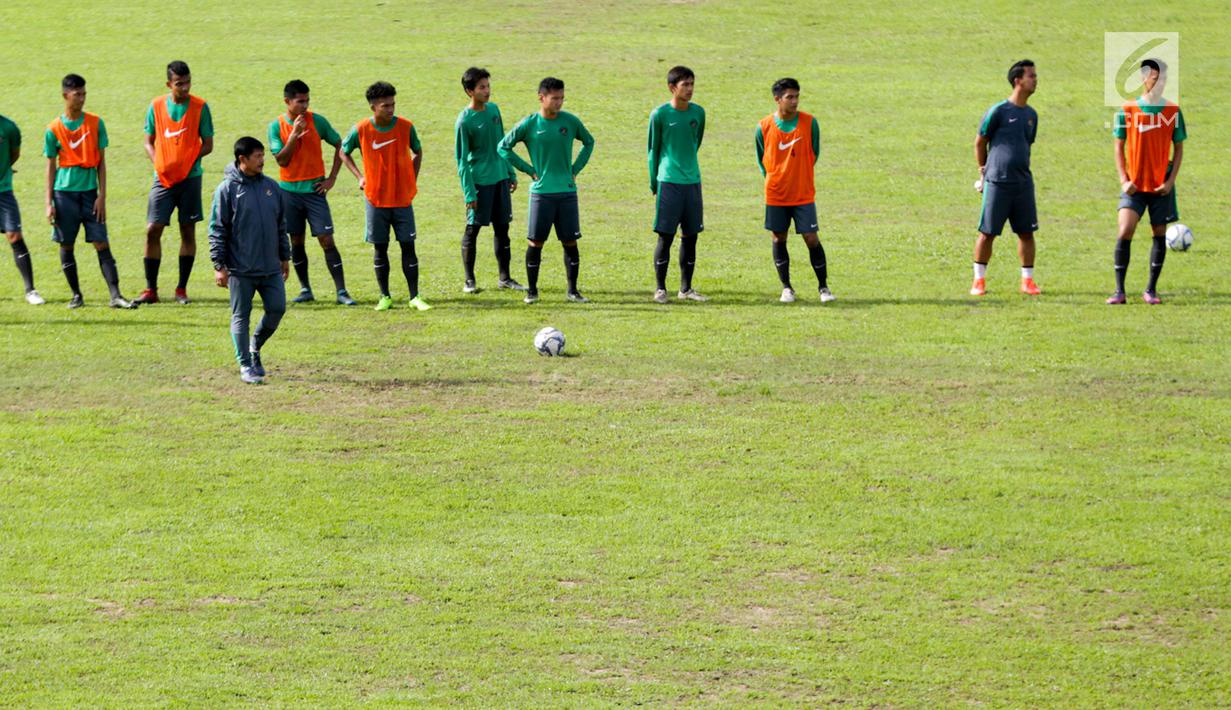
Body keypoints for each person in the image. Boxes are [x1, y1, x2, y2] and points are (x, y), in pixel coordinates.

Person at [498, 77, 595, 304]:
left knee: (570, 242)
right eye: (555, 98)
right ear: (542, 98)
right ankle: (532, 292)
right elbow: (503, 147)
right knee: (536, 242)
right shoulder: (530, 124)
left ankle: (573, 291)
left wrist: (575, 169)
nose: (559, 102)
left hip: (567, 193)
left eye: (562, 98)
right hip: (541, 194)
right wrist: (528, 170)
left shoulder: (570, 122)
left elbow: (589, 142)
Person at [43, 74, 136, 309]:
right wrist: (49, 201)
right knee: (66, 244)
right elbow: (50, 167)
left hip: (90, 194)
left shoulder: (95, 123)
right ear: (66, 95)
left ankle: (116, 295)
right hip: (63, 194)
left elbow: (102, 163)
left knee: (101, 242)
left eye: (84, 94)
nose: (82, 99)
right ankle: (76, 295)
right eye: (77, 94)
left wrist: (102, 196)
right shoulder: (53, 129)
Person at [340, 81, 431, 312]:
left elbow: (418, 150)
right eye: (385, 106)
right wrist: (360, 177)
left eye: (392, 104)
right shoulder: (361, 129)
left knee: (408, 246)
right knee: (380, 249)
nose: (390, 109)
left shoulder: (405, 127)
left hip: (402, 198)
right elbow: (343, 151)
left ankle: (415, 297)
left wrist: (412, 177)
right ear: (373, 107)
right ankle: (385, 296)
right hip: (376, 199)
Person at [208, 137, 289, 384]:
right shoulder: (227, 190)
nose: (262, 160)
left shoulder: (272, 188)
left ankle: (255, 346)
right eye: (257, 157)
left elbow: (280, 224)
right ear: (242, 159)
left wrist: (285, 256)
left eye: (263, 155)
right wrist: (219, 266)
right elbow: (217, 229)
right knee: (240, 315)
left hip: (270, 267)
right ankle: (245, 365)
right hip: (240, 269)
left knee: (277, 308)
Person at [269, 79, 355, 306]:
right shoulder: (276, 127)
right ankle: (305, 289)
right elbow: (282, 160)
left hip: (315, 192)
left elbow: (340, 144)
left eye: (307, 100)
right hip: (288, 193)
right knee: (295, 241)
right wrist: (294, 135)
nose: (305, 106)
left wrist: (332, 178)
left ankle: (342, 292)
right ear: (287, 101)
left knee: (326, 239)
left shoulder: (317, 121)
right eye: (300, 101)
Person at [1107, 58, 1186, 305]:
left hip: (1160, 186)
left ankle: (1151, 290)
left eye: (1163, 79)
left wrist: (1171, 181)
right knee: (1125, 229)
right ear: (1143, 78)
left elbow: (1179, 148)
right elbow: (1118, 147)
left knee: (1159, 233)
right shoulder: (1128, 110)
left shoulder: (1173, 112)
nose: (1160, 83)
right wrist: (1123, 179)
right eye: (1155, 78)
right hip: (1134, 186)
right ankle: (1119, 291)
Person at [135, 60, 214, 305]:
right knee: (152, 229)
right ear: (169, 84)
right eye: (179, 84)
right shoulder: (156, 106)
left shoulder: (200, 107)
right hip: (163, 179)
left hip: (190, 179)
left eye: (188, 82)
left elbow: (208, 144)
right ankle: (151, 289)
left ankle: (181, 289)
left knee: (187, 230)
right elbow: (148, 140)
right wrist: (158, 161)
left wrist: (189, 159)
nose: (185, 87)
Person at [755, 78, 833, 303]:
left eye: (797, 96)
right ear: (777, 99)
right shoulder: (764, 126)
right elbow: (763, 160)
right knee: (779, 237)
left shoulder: (809, 123)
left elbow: (813, 153)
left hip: (802, 193)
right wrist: (776, 177)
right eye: (790, 97)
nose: (795, 101)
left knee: (811, 238)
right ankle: (787, 287)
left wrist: (799, 174)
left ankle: (823, 287)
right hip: (776, 194)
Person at [971, 59, 1041, 297]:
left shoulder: (1032, 115)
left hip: (1022, 184)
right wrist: (983, 169)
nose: (1035, 79)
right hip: (997, 182)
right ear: (1017, 80)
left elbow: (1026, 144)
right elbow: (980, 141)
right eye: (1031, 76)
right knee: (987, 232)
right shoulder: (998, 111)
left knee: (1026, 232)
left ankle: (1027, 281)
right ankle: (979, 281)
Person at [455, 67, 523, 294]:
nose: (487, 91)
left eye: (488, 86)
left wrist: (510, 172)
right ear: (469, 91)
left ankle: (505, 278)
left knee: (503, 229)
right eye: (482, 87)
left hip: (500, 178)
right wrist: (469, 192)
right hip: (480, 182)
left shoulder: (494, 110)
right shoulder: (464, 121)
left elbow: (502, 145)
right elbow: (462, 160)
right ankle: (469, 280)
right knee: (473, 229)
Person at [648, 65, 706, 304]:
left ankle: (686, 288)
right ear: (672, 88)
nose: (690, 89)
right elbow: (653, 149)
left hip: (692, 182)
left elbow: (696, 142)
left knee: (691, 236)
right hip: (668, 182)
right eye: (685, 85)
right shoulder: (659, 115)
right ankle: (661, 289)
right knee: (666, 236)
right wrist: (654, 180)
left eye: (692, 84)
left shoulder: (699, 113)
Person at [1, 111, 42, 304]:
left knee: (15, 236)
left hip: (3, 191)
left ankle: (30, 290)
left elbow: (14, 154)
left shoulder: (9, 127)